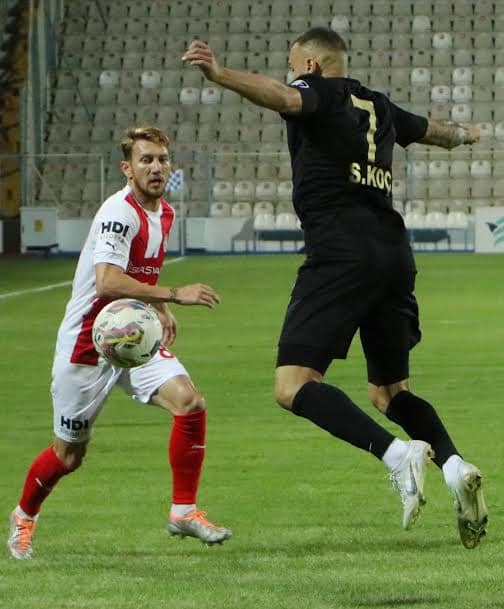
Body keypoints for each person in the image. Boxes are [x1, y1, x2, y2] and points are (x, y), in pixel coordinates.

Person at [182, 28, 488, 548]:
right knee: (390, 393)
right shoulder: (380, 106)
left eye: (293, 66)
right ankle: (455, 466)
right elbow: (436, 132)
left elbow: (283, 98)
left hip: (341, 253)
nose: (291, 76)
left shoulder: (317, 91)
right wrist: (466, 133)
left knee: (292, 385)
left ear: (310, 65)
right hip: (394, 255)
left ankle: (398, 456)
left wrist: (220, 74)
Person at [7, 126, 232, 560]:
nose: (156, 167)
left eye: (162, 159)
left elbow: (140, 269)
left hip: (131, 336)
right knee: (68, 456)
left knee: (189, 402)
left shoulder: (164, 212)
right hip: (88, 346)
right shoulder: (118, 213)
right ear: (127, 169)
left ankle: (183, 511)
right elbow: (108, 281)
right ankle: (24, 514)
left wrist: (158, 309)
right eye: (146, 160)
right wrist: (174, 295)